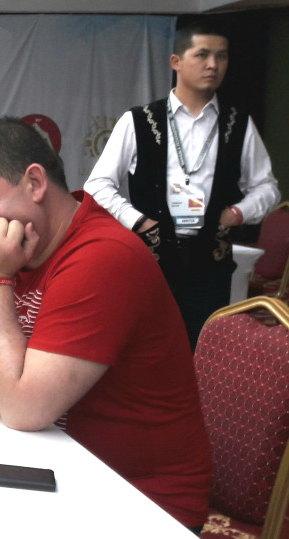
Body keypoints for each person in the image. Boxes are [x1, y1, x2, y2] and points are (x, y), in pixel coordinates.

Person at [0, 117, 211, 531]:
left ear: (35, 183)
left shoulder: (102, 256)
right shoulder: (13, 247)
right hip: (55, 465)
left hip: (140, 505)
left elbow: (23, 409)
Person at [83, 20, 279, 349]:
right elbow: (98, 185)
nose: (213, 64)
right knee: (146, 345)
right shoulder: (139, 120)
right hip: (150, 257)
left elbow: (267, 188)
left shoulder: (238, 125)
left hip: (211, 261)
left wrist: (237, 213)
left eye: (221, 56)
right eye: (202, 55)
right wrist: (139, 222)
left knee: (203, 347)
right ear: (176, 61)